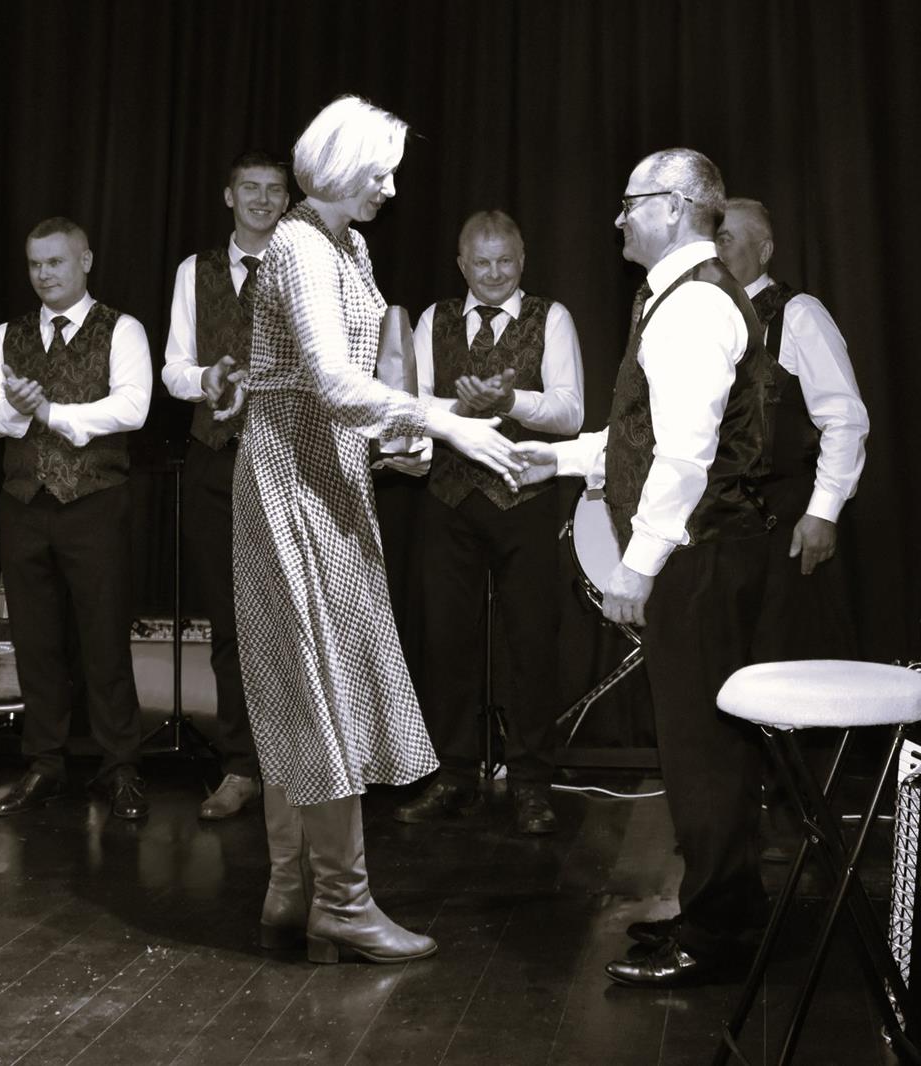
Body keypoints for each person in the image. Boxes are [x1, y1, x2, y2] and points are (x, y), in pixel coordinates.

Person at [232, 96, 525, 964]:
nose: (392, 190)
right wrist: (441, 422)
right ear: (339, 165)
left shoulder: (347, 246)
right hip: (288, 472)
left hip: (330, 470)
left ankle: (292, 891)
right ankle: (341, 903)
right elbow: (328, 379)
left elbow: (360, 381)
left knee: (313, 680)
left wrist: (398, 435)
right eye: (380, 172)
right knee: (312, 685)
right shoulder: (299, 245)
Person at [514, 148, 773, 987]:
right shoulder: (675, 298)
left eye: (630, 202)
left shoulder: (693, 304)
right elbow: (641, 439)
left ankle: (721, 934)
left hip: (700, 559)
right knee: (703, 746)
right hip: (702, 556)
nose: (619, 217)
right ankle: (721, 913)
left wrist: (637, 565)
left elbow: (686, 458)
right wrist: (551, 460)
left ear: (673, 205)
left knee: (704, 751)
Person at [392, 210, 584, 835]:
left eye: (505, 261)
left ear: (522, 260)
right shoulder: (434, 318)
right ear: (462, 264)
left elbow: (571, 412)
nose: (494, 273)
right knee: (446, 641)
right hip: (448, 501)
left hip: (527, 501)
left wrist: (511, 401)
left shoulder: (552, 318)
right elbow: (408, 402)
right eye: (482, 262)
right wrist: (462, 406)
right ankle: (452, 775)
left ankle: (531, 784)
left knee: (531, 643)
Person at [0, 217, 153, 821]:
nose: (44, 274)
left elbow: (133, 407)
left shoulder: (122, 328)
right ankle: (44, 764)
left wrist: (49, 410)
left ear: (85, 261)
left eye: (55, 261)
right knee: (35, 641)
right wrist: (16, 413)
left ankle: (119, 766)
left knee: (104, 640)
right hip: (24, 504)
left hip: (95, 502)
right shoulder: (7, 334)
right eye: (35, 263)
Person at [162, 150, 291, 819]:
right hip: (215, 459)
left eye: (274, 190)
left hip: (288, 461)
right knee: (229, 621)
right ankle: (241, 766)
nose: (262, 200)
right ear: (228, 196)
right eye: (250, 188)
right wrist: (203, 379)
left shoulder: (307, 266)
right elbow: (173, 368)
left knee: (291, 619)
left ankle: (297, 767)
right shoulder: (196, 271)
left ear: (287, 201)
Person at [716, 197, 869, 662]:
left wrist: (823, 512)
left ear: (763, 251)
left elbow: (844, 417)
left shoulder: (799, 314)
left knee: (783, 662)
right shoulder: (702, 320)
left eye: (725, 240)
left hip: (784, 520)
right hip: (721, 526)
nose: (714, 254)